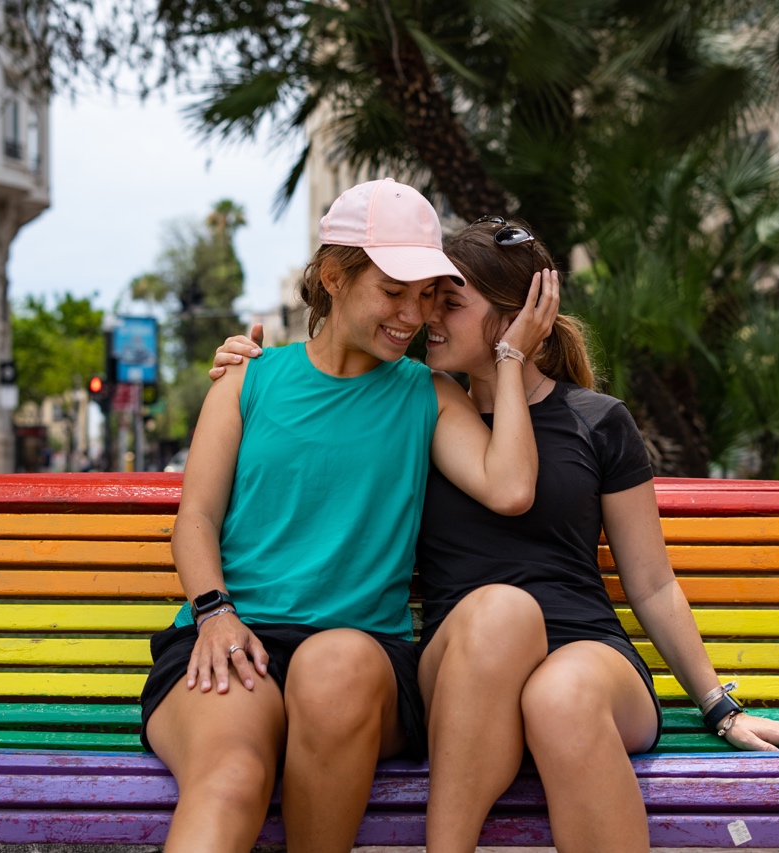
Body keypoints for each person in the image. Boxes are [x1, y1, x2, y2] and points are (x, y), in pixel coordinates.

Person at [212, 215, 779, 852]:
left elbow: (651, 583)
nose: (428, 319)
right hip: (459, 667)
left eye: (448, 303)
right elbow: (317, 417)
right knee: (500, 612)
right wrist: (248, 367)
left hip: (588, 655)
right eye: (426, 299)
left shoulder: (598, 421)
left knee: (558, 693)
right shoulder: (417, 405)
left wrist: (720, 707)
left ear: (517, 315)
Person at [142, 178, 559, 853]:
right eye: (393, 291)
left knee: (332, 667)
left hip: (362, 660)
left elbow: (510, 486)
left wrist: (510, 357)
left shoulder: (428, 393)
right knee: (231, 775)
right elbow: (195, 519)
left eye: (426, 295)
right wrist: (214, 612)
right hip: (233, 636)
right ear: (333, 278)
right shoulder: (249, 381)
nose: (413, 314)